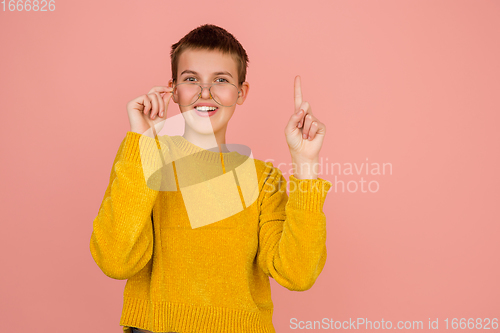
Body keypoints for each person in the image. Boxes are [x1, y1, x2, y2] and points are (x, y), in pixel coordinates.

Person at [90, 24, 332, 333]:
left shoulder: (263, 178)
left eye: (221, 80)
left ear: (241, 93)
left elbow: (298, 274)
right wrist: (143, 140)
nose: (205, 93)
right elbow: (114, 260)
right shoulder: (144, 159)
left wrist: (306, 165)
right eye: (191, 79)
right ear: (173, 89)